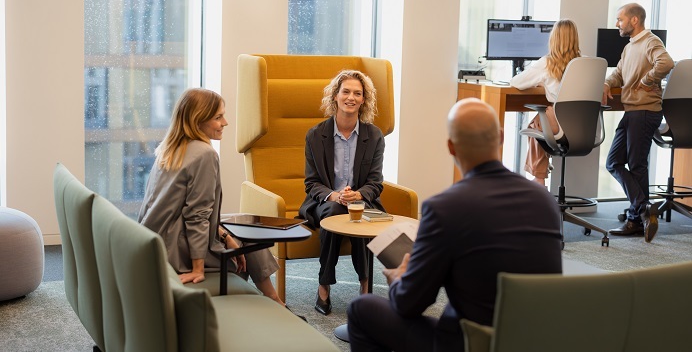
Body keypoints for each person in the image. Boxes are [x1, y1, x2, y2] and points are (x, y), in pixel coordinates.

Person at [346, 98, 563, 352]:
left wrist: (399, 279)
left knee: (361, 309)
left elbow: (410, 304)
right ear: (501, 137)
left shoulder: (445, 208)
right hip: (536, 341)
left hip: (473, 343)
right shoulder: (545, 200)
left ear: (451, 147)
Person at [138, 88, 284, 306]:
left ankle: (272, 301)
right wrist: (198, 268)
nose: (225, 122)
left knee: (241, 225)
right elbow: (196, 215)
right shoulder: (205, 154)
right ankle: (275, 302)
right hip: (176, 251)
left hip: (158, 242)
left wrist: (225, 236)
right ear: (198, 120)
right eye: (218, 117)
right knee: (252, 236)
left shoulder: (170, 148)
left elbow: (185, 208)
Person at [298, 70, 386, 316]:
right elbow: (312, 182)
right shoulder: (315, 135)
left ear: (363, 100)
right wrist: (335, 195)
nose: (351, 97)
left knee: (358, 213)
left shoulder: (374, 135)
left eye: (357, 93)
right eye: (346, 91)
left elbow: (375, 182)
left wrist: (357, 195)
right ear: (335, 96)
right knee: (337, 211)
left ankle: (365, 285)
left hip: (360, 201)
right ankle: (324, 285)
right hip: (326, 202)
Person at [603, 3, 674, 243]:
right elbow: (619, 74)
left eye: (620, 19)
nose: (617, 24)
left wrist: (647, 79)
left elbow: (666, 63)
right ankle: (643, 209)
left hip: (645, 111)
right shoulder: (629, 47)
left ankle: (636, 219)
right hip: (633, 111)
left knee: (637, 165)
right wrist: (606, 83)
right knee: (613, 162)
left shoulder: (651, 42)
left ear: (634, 20)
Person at [510, 19, 581, 185]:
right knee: (541, 120)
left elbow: (516, 82)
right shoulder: (585, 63)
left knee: (536, 124)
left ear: (553, 38)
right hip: (582, 126)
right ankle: (540, 172)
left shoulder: (547, 63)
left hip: (559, 125)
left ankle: (539, 177)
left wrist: (542, 82)